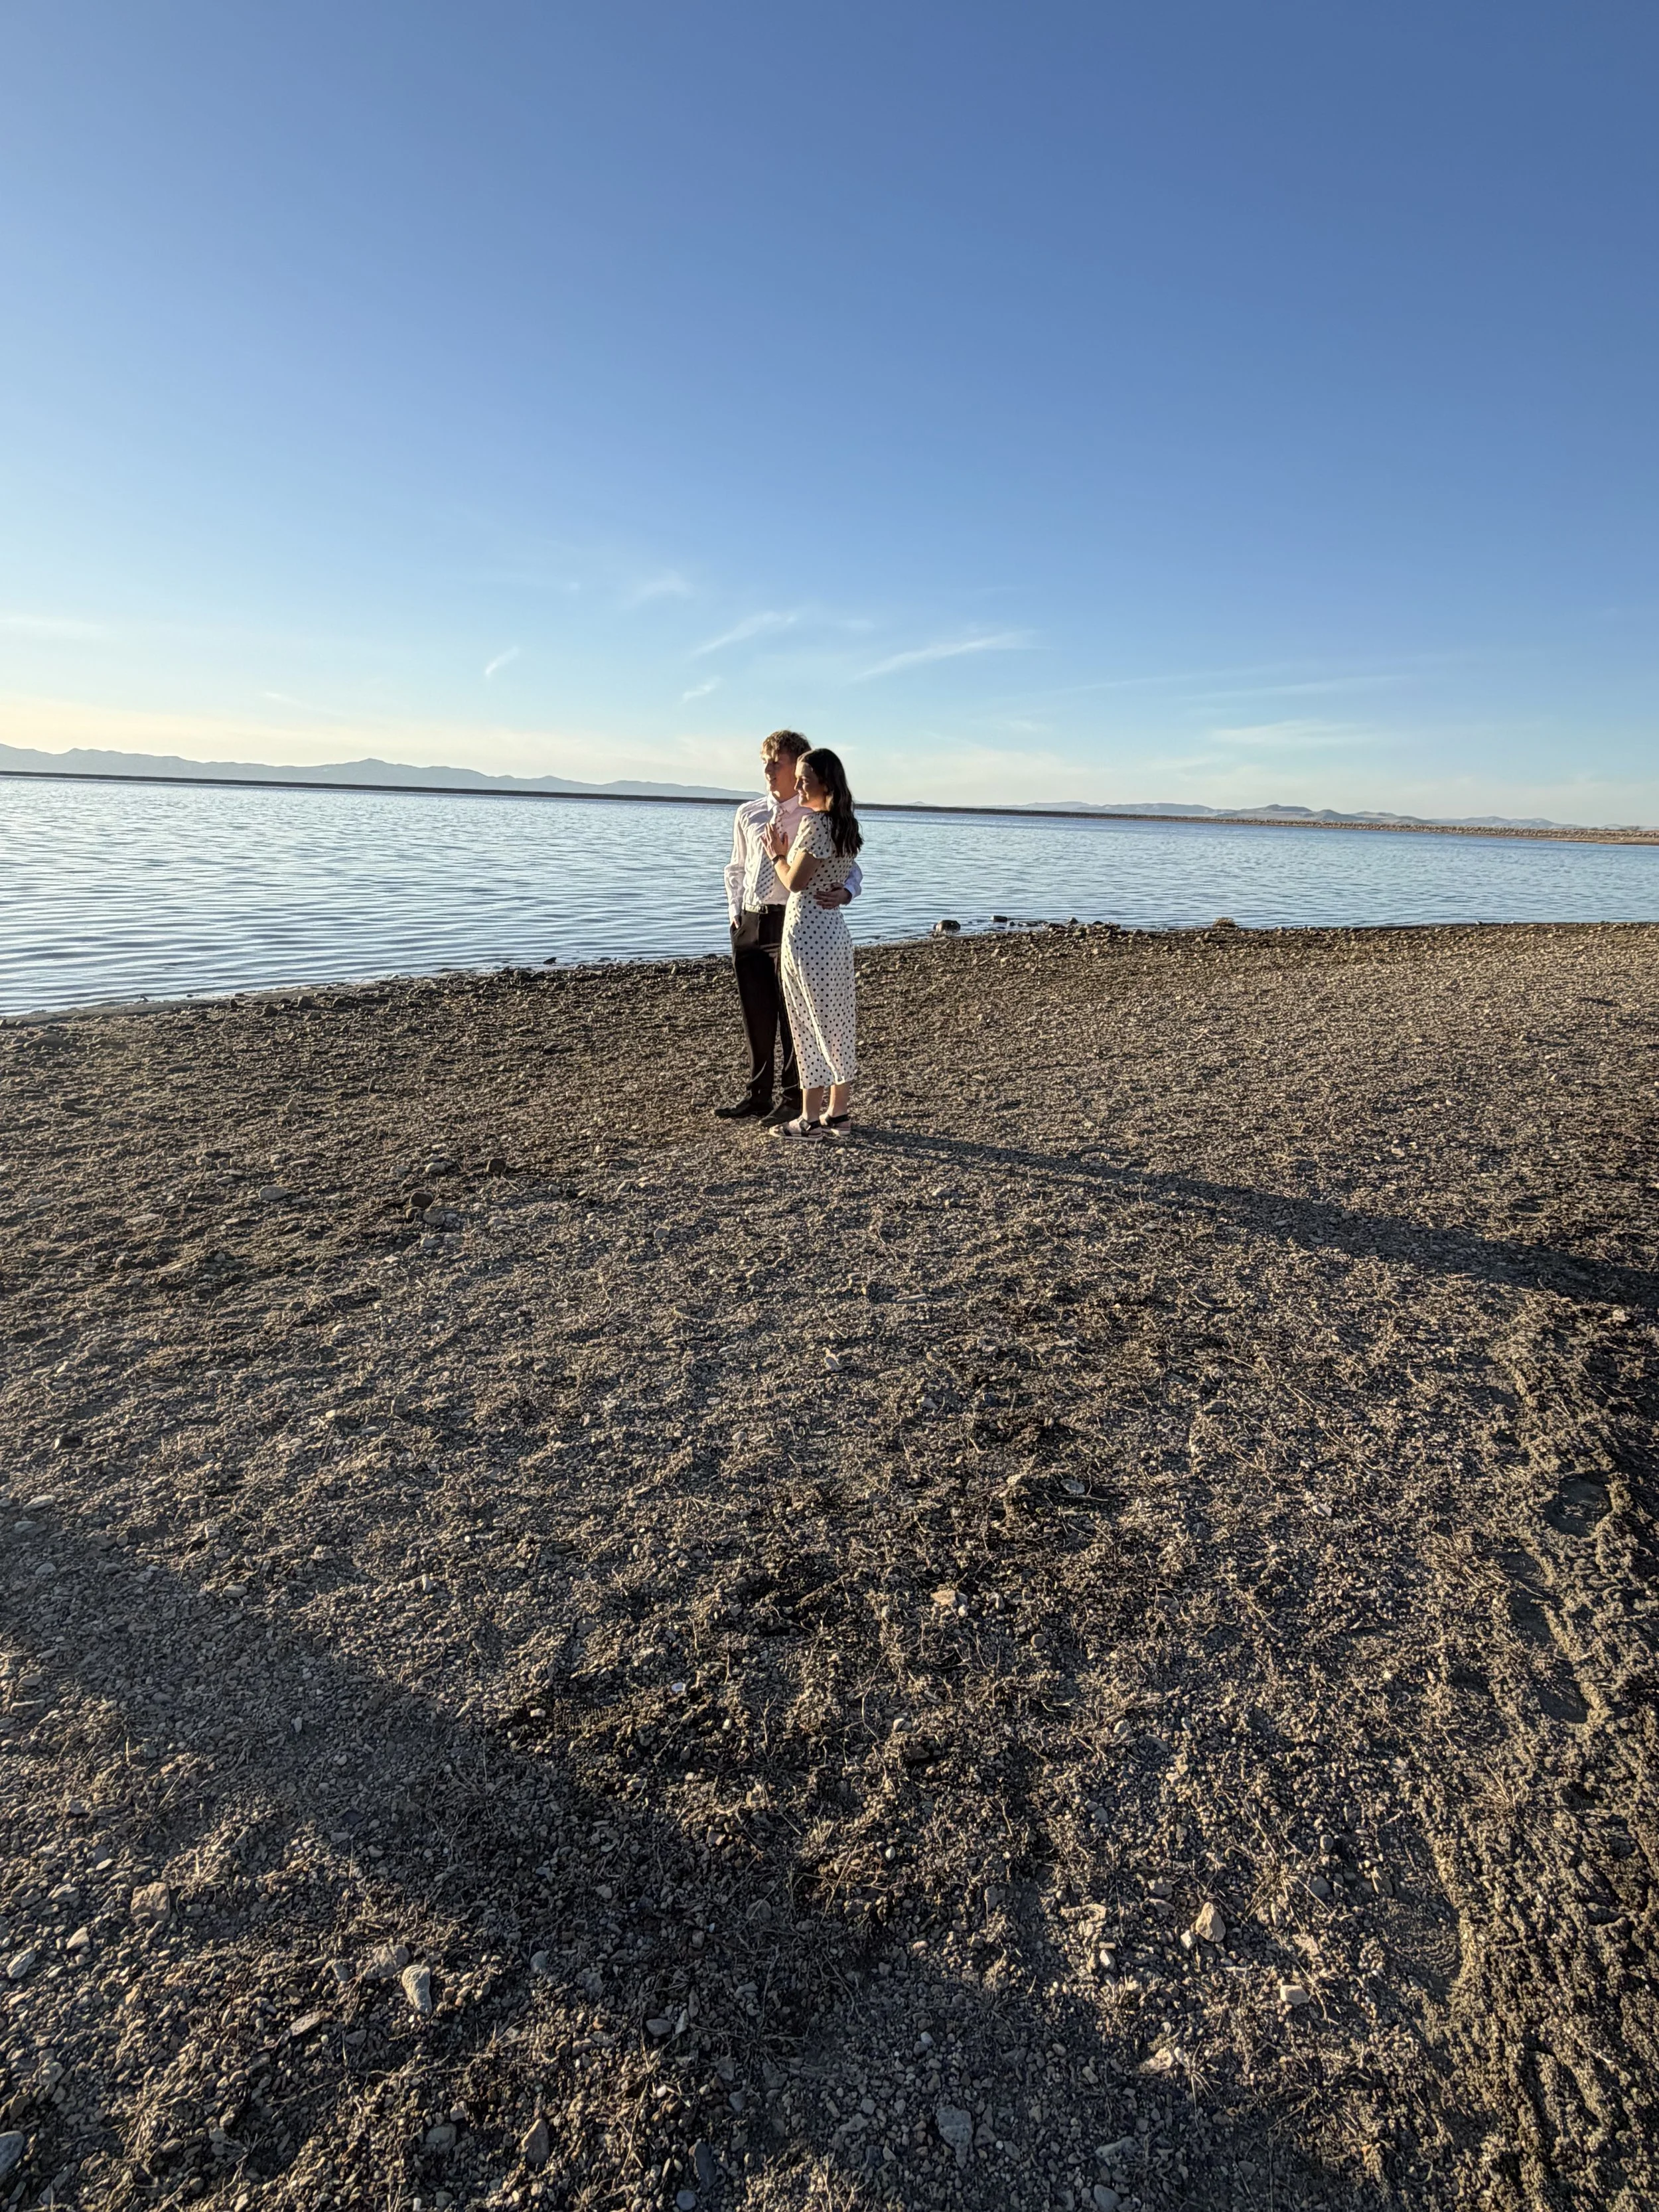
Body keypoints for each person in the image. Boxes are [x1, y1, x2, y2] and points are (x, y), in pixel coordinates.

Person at [715, 730, 861, 1124]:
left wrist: (846, 893)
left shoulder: (815, 816)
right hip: (749, 918)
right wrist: (734, 912)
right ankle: (757, 1095)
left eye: (776, 761)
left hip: (792, 920)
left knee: (795, 1013)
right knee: (756, 1014)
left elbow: (849, 869)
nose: (768, 769)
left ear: (800, 763)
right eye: (765, 760)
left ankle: (795, 1099)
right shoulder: (749, 813)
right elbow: (736, 867)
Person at [766, 746, 861, 1140]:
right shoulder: (846, 824)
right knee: (837, 1022)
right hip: (833, 933)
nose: (799, 786)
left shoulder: (816, 825)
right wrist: (844, 893)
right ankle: (837, 1113)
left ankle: (808, 1118)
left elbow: (794, 882)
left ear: (826, 784)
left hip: (808, 934)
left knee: (808, 1023)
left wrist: (778, 855)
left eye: (805, 780)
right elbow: (846, 872)